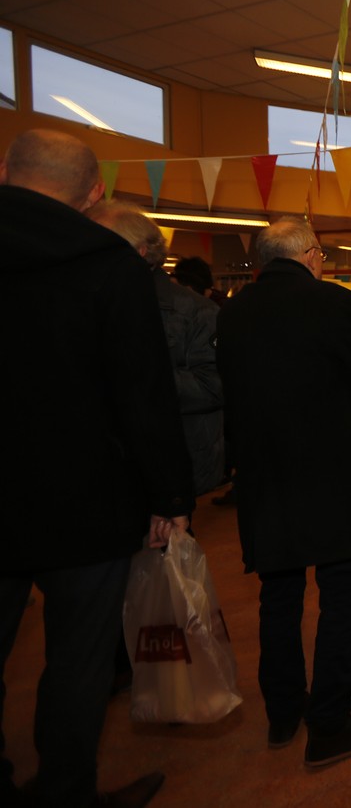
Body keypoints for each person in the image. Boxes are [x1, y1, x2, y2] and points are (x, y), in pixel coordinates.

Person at [0, 128, 192, 807]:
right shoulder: (107, 265)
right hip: (85, 499)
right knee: (77, 662)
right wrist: (170, 494)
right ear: (94, 192)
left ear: (5, 168)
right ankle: (65, 792)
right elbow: (143, 395)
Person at [216, 217, 351, 768]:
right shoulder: (331, 302)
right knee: (340, 595)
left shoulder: (233, 310)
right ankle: (330, 723)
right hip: (332, 474)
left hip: (265, 476)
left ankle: (283, 711)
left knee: (279, 597)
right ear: (312, 255)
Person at [90, 200, 226, 498]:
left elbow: (213, 386)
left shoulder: (196, 310)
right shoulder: (91, 300)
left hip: (169, 459)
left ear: (139, 252)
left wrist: (134, 375)